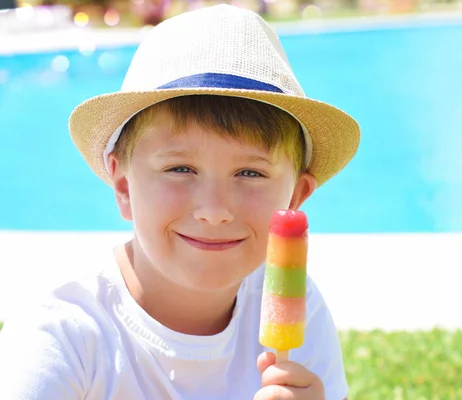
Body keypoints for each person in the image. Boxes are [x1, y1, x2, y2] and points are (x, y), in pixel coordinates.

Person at [0, 4, 360, 399]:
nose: (215, 210)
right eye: (180, 169)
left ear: (295, 198)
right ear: (123, 188)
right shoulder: (63, 339)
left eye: (251, 173)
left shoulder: (301, 309)